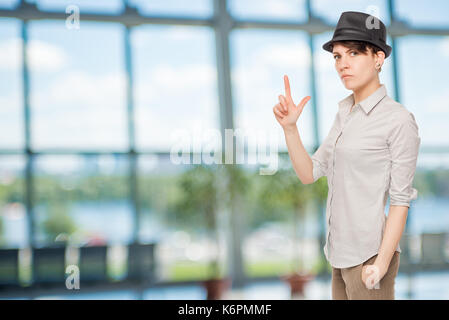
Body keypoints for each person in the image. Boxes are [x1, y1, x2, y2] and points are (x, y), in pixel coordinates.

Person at [272, 11, 421, 300]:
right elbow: (309, 173)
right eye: (338, 56)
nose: (343, 64)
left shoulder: (399, 120)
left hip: (370, 258)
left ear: (378, 58)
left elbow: (401, 201)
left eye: (353, 53)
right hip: (339, 257)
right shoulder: (344, 114)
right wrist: (290, 129)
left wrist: (380, 264)